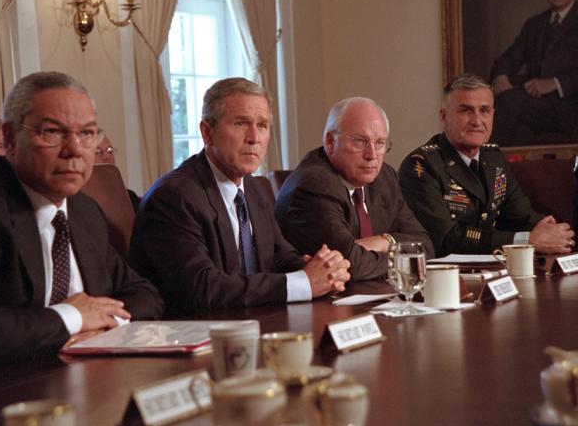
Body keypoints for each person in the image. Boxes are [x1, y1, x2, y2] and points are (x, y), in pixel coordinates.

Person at [0, 71, 164, 368]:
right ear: (10, 139)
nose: (74, 150)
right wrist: (73, 317)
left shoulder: (84, 210)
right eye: (52, 132)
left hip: (88, 375)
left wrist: (99, 328)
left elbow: (146, 295)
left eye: (86, 133)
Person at [129, 77, 350, 316]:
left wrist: (322, 270)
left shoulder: (253, 188)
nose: (254, 137)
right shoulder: (174, 196)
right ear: (207, 133)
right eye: (241, 123)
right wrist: (303, 283)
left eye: (262, 125)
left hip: (254, 321)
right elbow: (202, 288)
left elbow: (280, 256)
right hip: (195, 335)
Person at [399, 73, 574, 257]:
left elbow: (523, 218)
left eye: (484, 110)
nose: (477, 121)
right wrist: (526, 240)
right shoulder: (422, 165)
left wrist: (553, 233)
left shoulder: (493, 159)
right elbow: (447, 238)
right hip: (447, 276)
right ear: (443, 117)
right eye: (466, 110)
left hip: (495, 271)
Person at [275, 97, 434, 280]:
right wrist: (406, 257)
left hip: (372, 296)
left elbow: (425, 245)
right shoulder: (314, 185)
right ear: (330, 142)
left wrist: (384, 241)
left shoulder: (384, 177)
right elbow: (352, 265)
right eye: (359, 141)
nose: (371, 155)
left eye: (380, 143)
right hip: (325, 304)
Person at [490, 0, 578, 145]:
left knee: (508, 103)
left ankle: (489, 169)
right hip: (536, 104)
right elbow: (511, 56)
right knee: (516, 126)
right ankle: (508, 170)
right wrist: (501, 76)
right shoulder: (535, 25)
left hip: (570, 105)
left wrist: (555, 84)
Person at [94, 135, 141, 211]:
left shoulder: (129, 197)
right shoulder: (78, 198)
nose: (107, 157)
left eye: (110, 151)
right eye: (98, 152)